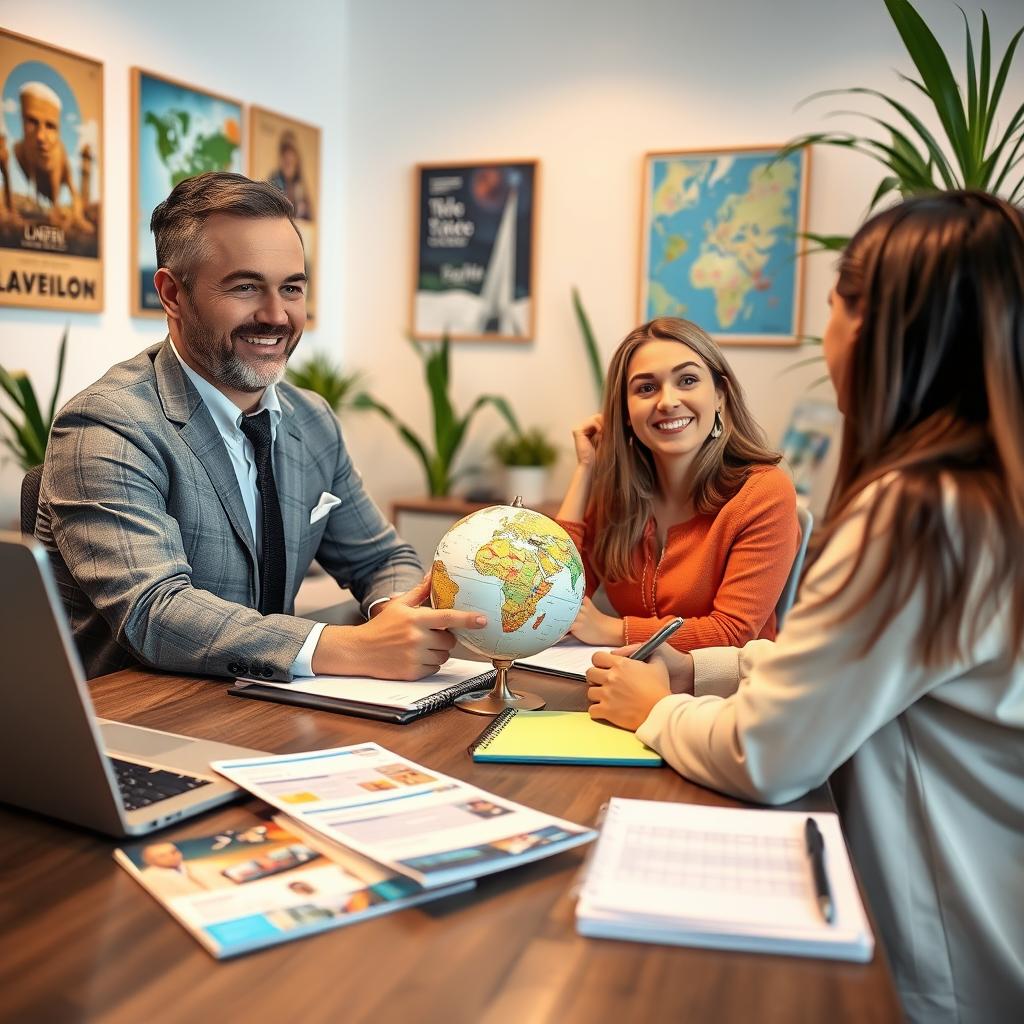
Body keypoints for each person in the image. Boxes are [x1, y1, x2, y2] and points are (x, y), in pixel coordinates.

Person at [585, 192, 1024, 1023]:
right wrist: (701, 665)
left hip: (954, 967)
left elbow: (769, 754)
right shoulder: (987, 493)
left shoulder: (917, 513)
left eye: (834, 303)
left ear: (869, 326)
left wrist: (659, 707)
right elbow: (858, 669)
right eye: (643, 388)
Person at [36, 171, 486, 681]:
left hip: (271, 708)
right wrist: (348, 647)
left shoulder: (311, 418)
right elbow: (155, 613)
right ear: (171, 294)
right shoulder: (109, 425)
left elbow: (380, 557)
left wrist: (394, 615)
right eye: (246, 287)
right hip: (139, 726)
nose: (276, 315)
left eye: (291, 288)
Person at [557, 316, 799, 652]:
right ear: (626, 412)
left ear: (719, 395)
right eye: (646, 387)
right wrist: (586, 470)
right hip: (632, 684)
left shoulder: (763, 492)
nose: (667, 401)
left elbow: (732, 633)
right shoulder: (618, 495)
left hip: (726, 694)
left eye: (687, 380)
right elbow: (551, 595)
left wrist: (614, 630)